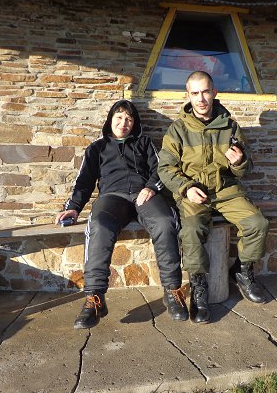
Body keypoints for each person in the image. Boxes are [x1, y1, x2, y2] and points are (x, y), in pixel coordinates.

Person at [56, 99, 188, 329]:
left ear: (134, 123)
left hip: (144, 195)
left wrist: (151, 187)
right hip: (112, 198)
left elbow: (160, 170)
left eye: (128, 119)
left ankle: (172, 290)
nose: (123, 123)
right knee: (99, 225)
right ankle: (95, 298)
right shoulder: (97, 148)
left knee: (165, 220)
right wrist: (74, 207)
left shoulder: (144, 143)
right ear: (110, 120)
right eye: (119, 118)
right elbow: (84, 182)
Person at [157, 71, 269, 324]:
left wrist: (239, 162)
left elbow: (245, 169)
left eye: (205, 92)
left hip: (226, 190)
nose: (201, 99)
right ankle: (199, 288)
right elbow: (165, 168)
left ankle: (242, 271)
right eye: (195, 93)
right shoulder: (178, 130)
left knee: (257, 223)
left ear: (214, 92)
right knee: (192, 230)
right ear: (188, 95)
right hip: (194, 192)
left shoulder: (230, 126)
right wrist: (186, 188)